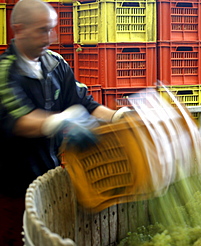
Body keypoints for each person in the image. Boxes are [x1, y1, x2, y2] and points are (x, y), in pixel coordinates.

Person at [0, 0, 127, 245]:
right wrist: (59, 121)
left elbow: (85, 102)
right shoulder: (6, 73)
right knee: (16, 237)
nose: (50, 37)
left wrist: (117, 116)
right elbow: (18, 119)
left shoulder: (56, 64)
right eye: (42, 30)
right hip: (13, 185)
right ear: (19, 29)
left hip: (50, 176)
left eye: (51, 28)